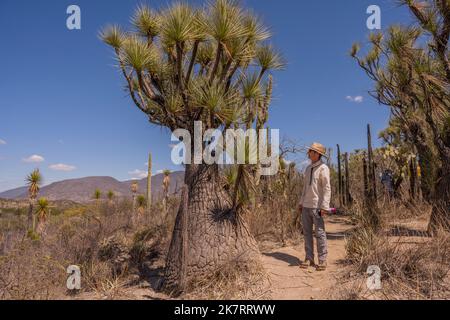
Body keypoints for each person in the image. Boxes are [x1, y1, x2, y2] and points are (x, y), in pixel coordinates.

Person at [298, 142, 331, 271]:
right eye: (310, 151)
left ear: (318, 154)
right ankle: (309, 258)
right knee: (306, 233)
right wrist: (301, 202)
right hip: (306, 205)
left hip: (317, 207)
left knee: (320, 233)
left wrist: (324, 206)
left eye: (312, 151)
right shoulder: (307, 169)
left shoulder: (323, 168)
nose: (310, 153)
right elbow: (305, 188)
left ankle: (322, 260)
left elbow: (327, 188)